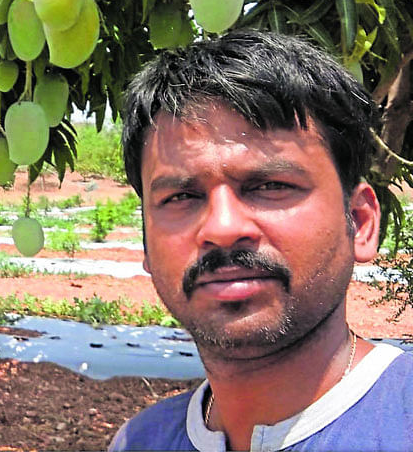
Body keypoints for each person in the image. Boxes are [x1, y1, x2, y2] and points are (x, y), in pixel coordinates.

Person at [109, 30, 413, 451]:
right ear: (145, 243)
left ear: (359, 223)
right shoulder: (140, 441)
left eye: (270, 185)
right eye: (181, 196)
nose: (222, 227)